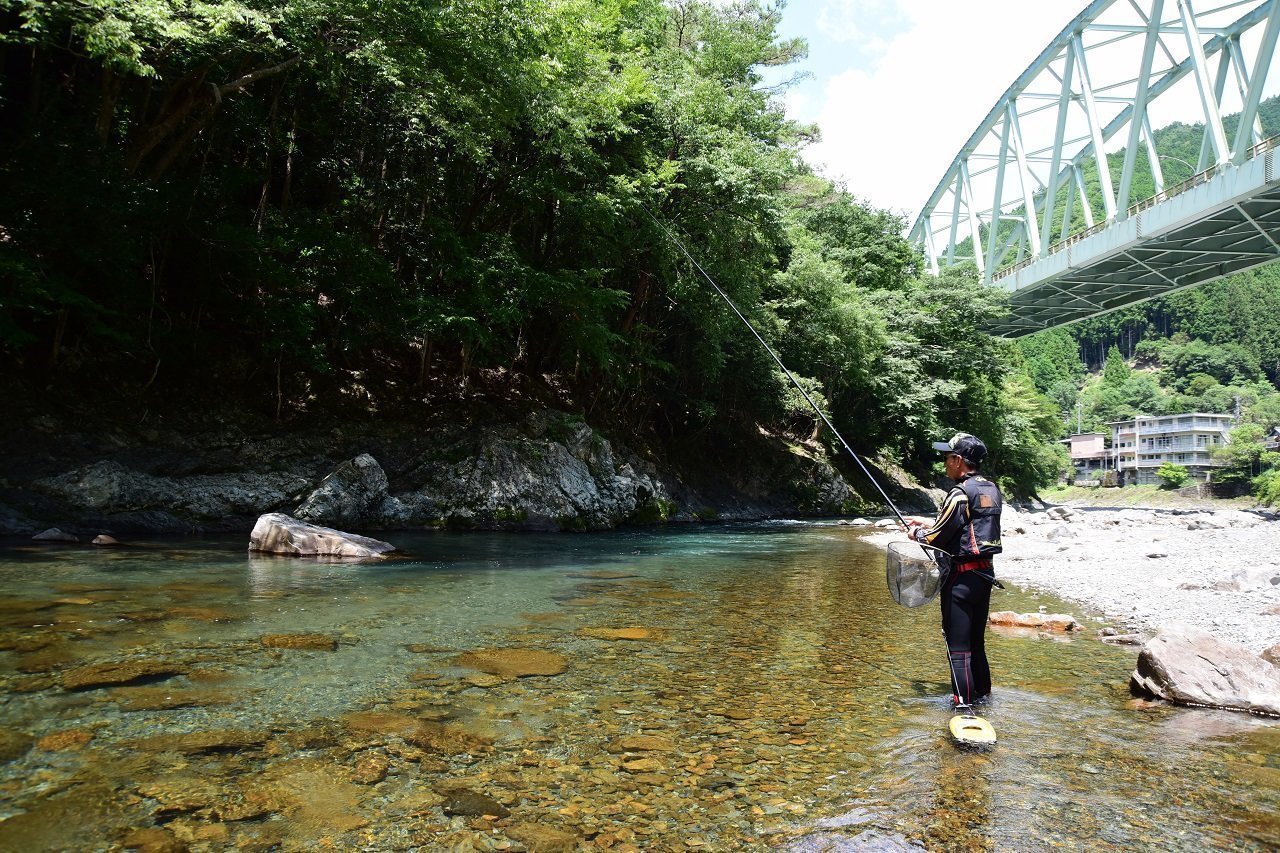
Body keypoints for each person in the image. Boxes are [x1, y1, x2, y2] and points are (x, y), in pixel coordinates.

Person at [906, 432, 1003, 709]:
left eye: (947, 458)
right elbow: (969, 524)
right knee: (976, 642)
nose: (945, 464)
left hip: (960, 581)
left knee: (958, 647)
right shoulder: (990, 488)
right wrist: (927, 522)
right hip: (983, 576)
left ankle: (963, 706)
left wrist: (916, 533)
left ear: (958, 460)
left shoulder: (958, 493)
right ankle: (983, 697)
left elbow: (937, 538)